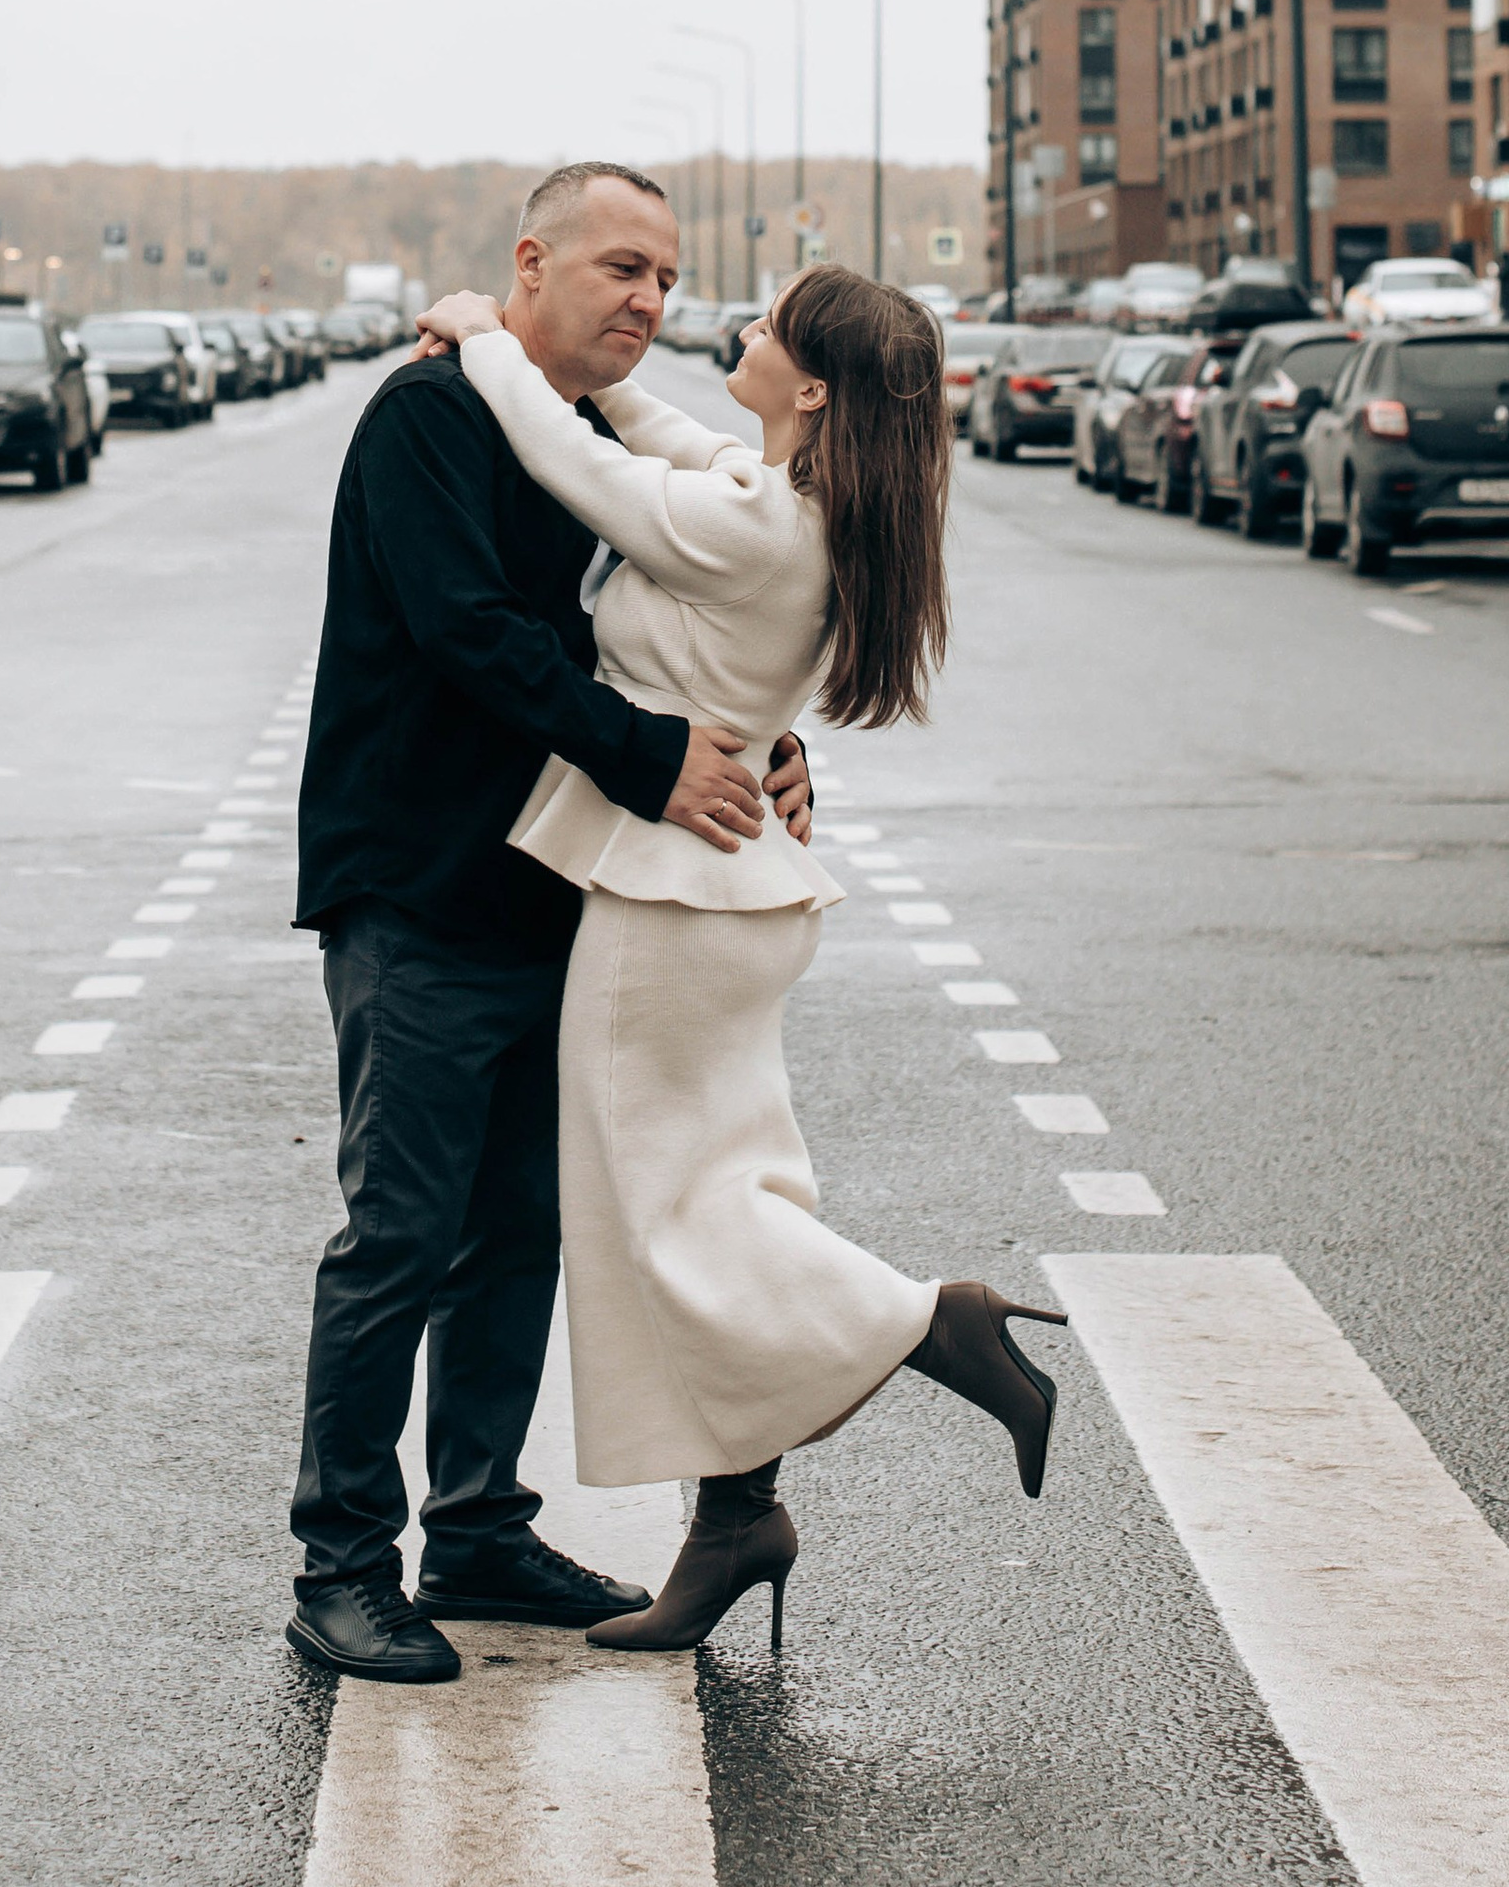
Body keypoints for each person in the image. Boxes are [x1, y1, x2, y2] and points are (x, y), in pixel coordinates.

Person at [410, 255, 1066, 1657]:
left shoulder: (760, 531)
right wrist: (585, 374)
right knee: (726, 1186)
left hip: (671, 901)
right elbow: (655, 440)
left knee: (670, 1217)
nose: (738, 330)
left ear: (811, 386)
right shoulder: (784, 502)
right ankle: (734, 1524)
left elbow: (571, 462)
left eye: (764, 327)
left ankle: (926, 1323)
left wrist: (483, 336)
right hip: (722, 893)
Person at [286, 163, 813, 1686]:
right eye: (620, 269)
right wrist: (659, 762)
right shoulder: (434, 416)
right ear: (534, 262)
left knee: (519, 1231)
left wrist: (763, 741)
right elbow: (473, 634)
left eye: (665, 278)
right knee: (401, 1231)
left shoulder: (579, 434)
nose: (650, 302)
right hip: (420, 885)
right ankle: (338, 1564)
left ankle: (476, 1531)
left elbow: (679, 633)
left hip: (559, 895)